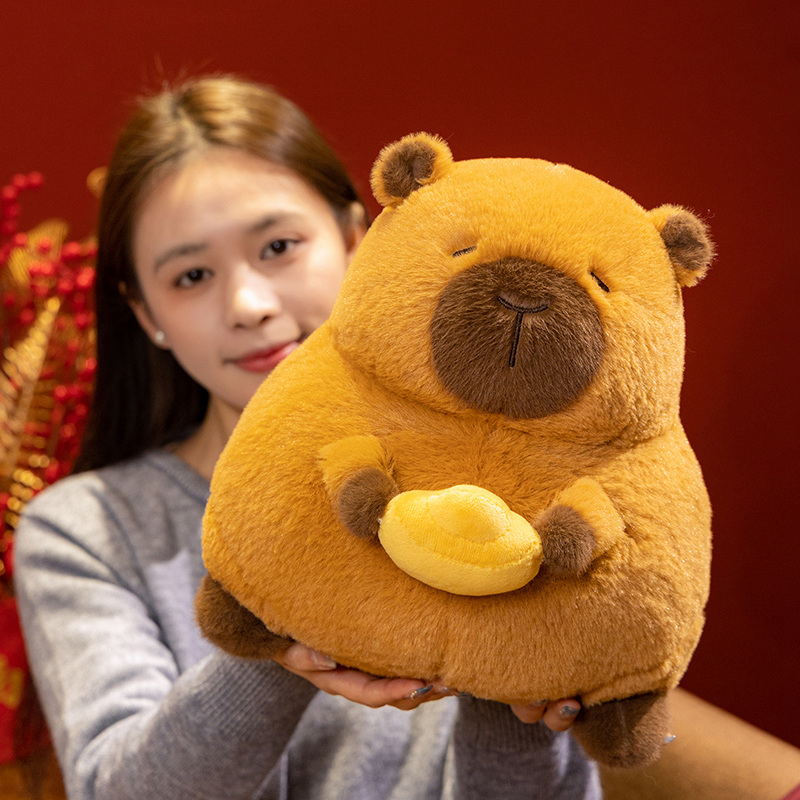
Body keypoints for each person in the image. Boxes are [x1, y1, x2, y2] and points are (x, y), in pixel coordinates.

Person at [13, 76, 601, 800]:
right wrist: (277, 633)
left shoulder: (495, 501)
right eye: (191, 275)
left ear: (357, 242)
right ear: (146, 314)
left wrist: (520, 691)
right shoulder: (86, 530)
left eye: (279, 246)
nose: (248, 304)